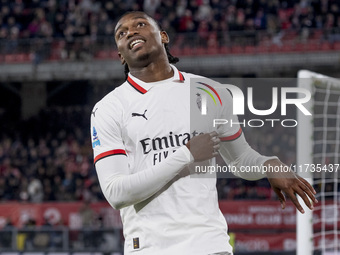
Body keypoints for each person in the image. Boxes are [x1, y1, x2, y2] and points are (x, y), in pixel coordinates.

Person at [90, 11, 317, 255]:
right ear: (120, 55)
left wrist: (268, 164)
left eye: (140, 24)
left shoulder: (209, 91)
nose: (131, 32)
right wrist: (186, 154)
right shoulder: (109, 108)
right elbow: (116, 193)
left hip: (209, 244)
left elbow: (240, 160)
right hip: (150, 247)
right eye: (121, 34)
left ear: (163, 36)